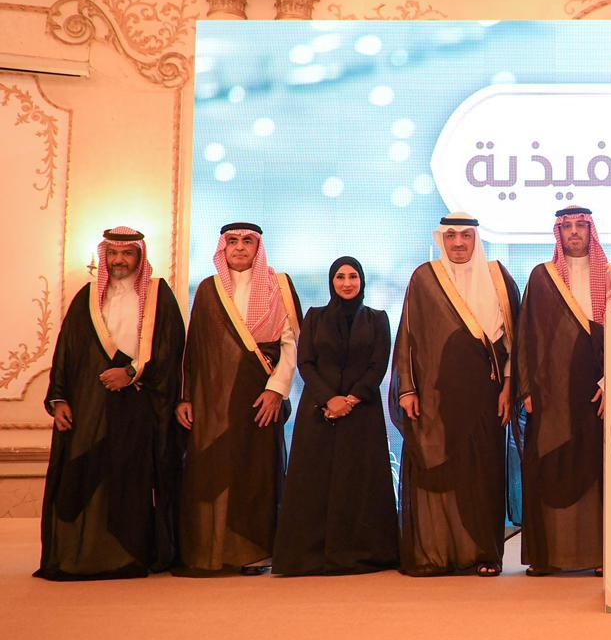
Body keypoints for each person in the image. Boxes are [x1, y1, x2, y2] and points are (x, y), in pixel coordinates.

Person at [36, 227, 185, 580]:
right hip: (91, 404)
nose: (120, 260)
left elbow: (171, 349)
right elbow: (66, 350)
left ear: (139, 257)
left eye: (127, 253)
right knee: (87, 471)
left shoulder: (158, 295)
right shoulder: (87, 297)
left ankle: (128, 555)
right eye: (113, 253)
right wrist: (59, 398)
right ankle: (88, 552)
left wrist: (131, 373)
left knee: (131, 476)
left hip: (140, 402)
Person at [390, 215, 521, 576]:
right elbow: (408, 336)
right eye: (451, 236)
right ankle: (435, 554)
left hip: (486, 395)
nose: (459, 243)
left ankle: (484, 555)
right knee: (438, 474)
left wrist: (509, 386)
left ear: (476, 239)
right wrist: (407, 388)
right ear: (442, 239)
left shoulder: (498, 277)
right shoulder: (425, 277)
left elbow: (514, 342)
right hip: (436, 397)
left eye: (466, 235)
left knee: (482, 474)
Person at [175, 222, 300, 575]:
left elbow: (291, 344)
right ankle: (212, 550)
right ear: (223, 248)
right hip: (213, 401)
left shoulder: (279, 285)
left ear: (258, 247)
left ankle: (255, 553)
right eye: (232, 241)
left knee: (255, 475)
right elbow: (194, 348)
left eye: (247, 241)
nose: (240, 247)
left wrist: (276, 391)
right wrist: (186, 398)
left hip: (260, 399)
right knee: (213, 470)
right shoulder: (208, 289)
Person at [516, 206, 611, 576]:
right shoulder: (543, 276)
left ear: (591, 231)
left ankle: (602, 556)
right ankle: (549, 556)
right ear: (558, 233)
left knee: (600, 471)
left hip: (600, 393)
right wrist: (526, 388)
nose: (573, 232)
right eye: (566, 226)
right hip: (551, 394)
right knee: (550, 466)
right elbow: (527, 334)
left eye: (580, 226)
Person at [274, 256, 398, 575]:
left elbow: (378, 364)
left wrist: (351, 399)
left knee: (358, 483)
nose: (346, 283)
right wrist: (330, 399)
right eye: (340, 277)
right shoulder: (314, 317)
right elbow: (306, 363)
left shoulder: (377, 319)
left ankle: (360, 555)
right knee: (315, 483)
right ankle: (311, 556)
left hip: (362, 414)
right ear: (332, 282)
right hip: (319, 412)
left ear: (361, 281)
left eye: (353, 277)